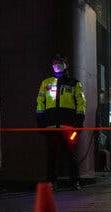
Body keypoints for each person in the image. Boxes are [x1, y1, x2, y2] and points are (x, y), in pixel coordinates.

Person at [36, 54, 86, 190]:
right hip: (51, 125)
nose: (57, 64)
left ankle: (75, 181)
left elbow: (81, 103)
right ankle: (52, 182)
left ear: (66, 65)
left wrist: (79, 120)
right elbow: (40, 102)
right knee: (52, 155)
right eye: (55, 62)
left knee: (71, 154)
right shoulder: (46, 83)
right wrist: (40, 119)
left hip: (69, 125)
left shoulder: (74, 83)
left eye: (60, 62)